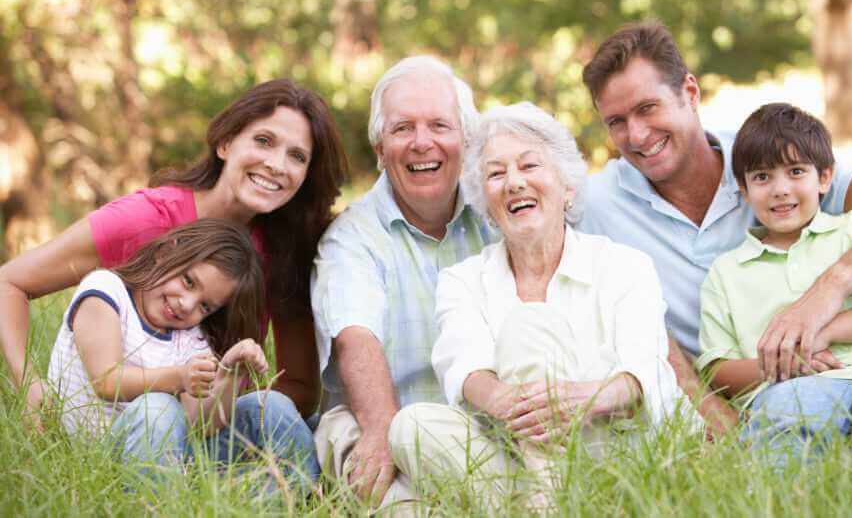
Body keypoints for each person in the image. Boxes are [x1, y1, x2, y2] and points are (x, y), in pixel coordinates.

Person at [578, 21, 852, 430]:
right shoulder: (594, 204)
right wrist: (712, 414)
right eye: (616, 121)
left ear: (689, 93)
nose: (636, 134)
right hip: (766, 395)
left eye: (647, 108)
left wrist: (826, 293)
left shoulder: (768, 156)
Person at [0, 79, 346, 456]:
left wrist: (223, 409)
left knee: (288, 419)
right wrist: (29, 387)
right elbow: (10, 283)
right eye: (263, 141)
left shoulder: (285, 248)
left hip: (207, 424)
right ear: (226, 143)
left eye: (297, 156)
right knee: (156, 412)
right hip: (129, 423)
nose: (276, 165)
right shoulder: (146, 220)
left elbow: (298, 386)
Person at [388, 102, 692, 510]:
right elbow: (464, 368)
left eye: (529, 166)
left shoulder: (625, 266)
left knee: (528, 327)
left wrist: (580, 399)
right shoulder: (462, 281)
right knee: (411, 427)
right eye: (496, 174)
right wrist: (513, 404)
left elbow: (643, 373)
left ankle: (544, 502)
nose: (513, 183)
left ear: (567, 188)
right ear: (487, 206)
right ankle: (549, 500)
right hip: (515, 454)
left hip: (615, 451)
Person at [696, 103, 852, 466]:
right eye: (762, 177)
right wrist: (787, 362)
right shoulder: (726, 272)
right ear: (742, 188)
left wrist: (824, 332)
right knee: (784, 456)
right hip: (788, 390)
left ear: (825, 178)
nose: (780, 190)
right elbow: (717, 370)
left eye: (796, 171)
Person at [310, 56, 494, 510]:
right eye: (402, 128)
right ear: (379, 148)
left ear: (466, 140)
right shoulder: (352, 237)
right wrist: (382, 430)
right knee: (401, 503)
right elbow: (357, 337)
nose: (421, 143)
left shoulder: (498, 214)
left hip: (481, 429)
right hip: (379, 424)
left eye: (439, 125)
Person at [48, 219, 317, 484]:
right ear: (165, 253)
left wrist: (231, 373)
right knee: (158, 407)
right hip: (99, 455)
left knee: (270, 404)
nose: (187, 305)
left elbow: (198, 425)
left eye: (206, 306)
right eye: (188, 282)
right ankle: (152, 506)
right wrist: (179, 377)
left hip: (169, 459)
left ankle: (295, 497)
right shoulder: (106, 290)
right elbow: (106, 381)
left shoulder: (191, 336)